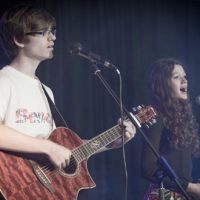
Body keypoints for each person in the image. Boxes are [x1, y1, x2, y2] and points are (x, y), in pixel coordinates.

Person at [0, 4, 136, 199]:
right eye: (43, 32)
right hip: (10, 182)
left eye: (52, 32)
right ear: (19, 39)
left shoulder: (45, 91)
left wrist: (112, 143)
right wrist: (49, 147)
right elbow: (51, 148)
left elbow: (66, 151)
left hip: (40, 191)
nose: (53, 37)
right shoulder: (4, 80)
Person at [141, 58, 200, 200]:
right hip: (164, 195)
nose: (184, 80)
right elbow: (148, 169)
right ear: (163, 84)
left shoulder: (183, 118)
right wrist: (190, 187)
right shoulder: (155, 115)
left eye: (185, 76)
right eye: (176, 77)